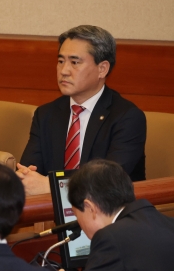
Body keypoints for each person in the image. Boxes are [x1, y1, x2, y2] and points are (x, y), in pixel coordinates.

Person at [17, 25, 146, 195]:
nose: (64, 71)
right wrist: (26, 178)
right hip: (50, 209)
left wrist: (52, 187)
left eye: (75, 62)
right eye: (61, 61)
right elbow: (28, 172)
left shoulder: (127, 117)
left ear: (102, 69)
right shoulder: (46, 114)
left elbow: (109, 181)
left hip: (108, 209)